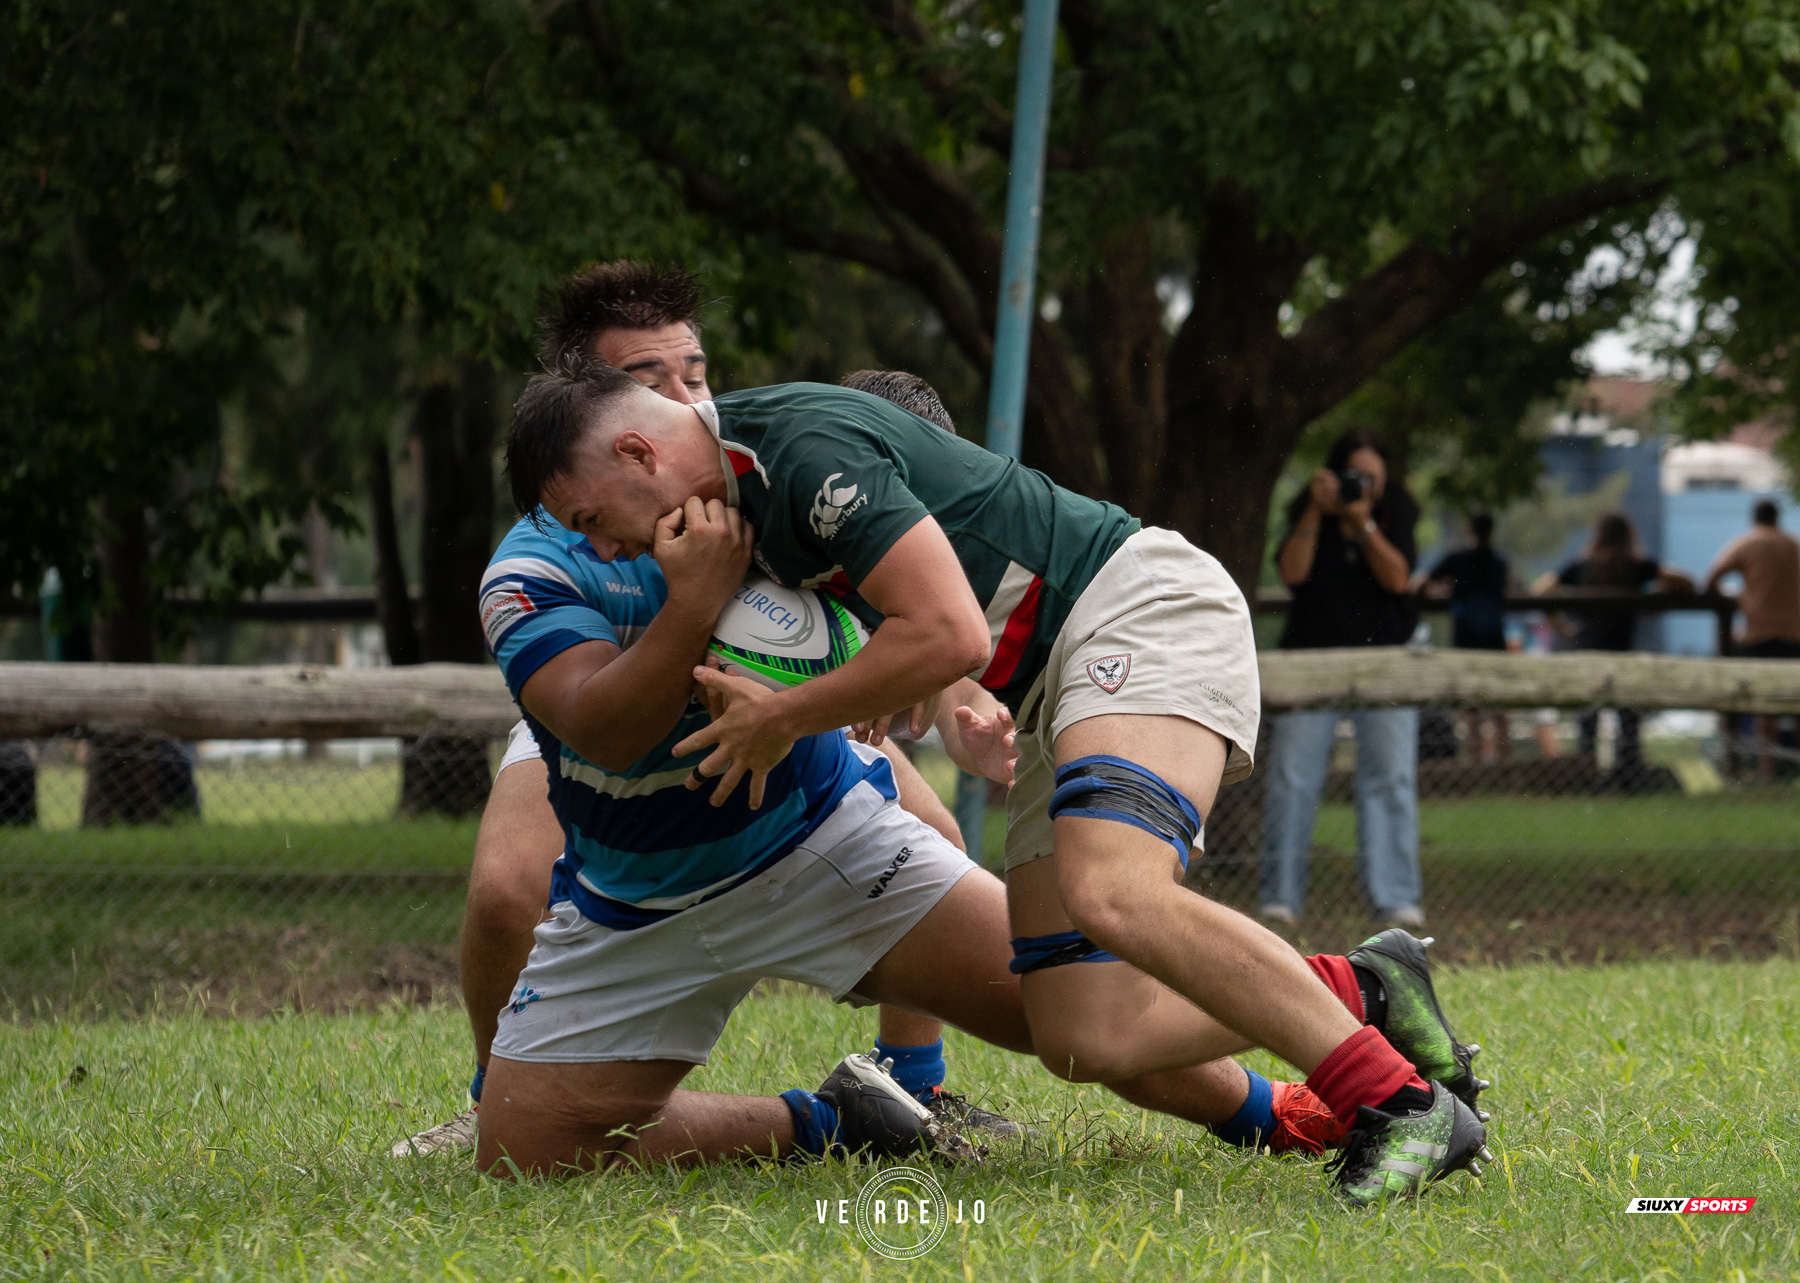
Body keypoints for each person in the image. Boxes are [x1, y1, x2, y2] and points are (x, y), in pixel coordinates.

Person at [515, 366, 1491, 1204]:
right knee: (1083, 1030)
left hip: (1136, 607)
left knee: (1117, 892)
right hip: (1051, 682)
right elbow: (921, 612)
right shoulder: (731, 509)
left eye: (594, 519)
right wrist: (911, 692)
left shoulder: (795, 450)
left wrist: (785, 715)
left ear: (640, 452)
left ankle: (1398, 1106)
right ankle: (1365, 985)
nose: (603, 548)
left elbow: (952, 630)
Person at [396, 264, 990, 1156]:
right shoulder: (548, 551)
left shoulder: (740, 468)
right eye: (647, 382)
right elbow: (593, 714)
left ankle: (911, 1091)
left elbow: (890, 583)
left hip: (770, 707)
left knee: (936, 830)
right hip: (596, 721)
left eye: (695, 373)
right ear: (590, 406)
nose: (682, 397)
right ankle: (497, 1099)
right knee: (503, 890)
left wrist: (926, 686)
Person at [1261, 431, 1426, 929]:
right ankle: (1279, 898)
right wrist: (1317, 511)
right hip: (1311, 659)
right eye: (1354, 477)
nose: (1363, 486)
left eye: (1372, 478)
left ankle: (1396, 898)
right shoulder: (1310, 514)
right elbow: (1292, 573)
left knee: (1391, 779)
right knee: (1292, 779)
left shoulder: (1397, 512)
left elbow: (1397, 579)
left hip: (1387, 663)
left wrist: (1364, 522)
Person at [1539, 511, 1694, 777]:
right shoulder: (1635, 567)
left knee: (1588, 719)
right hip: (1622, 654)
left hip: (1587, 652)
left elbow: (1542, 590)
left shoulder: (1581, 568)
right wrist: (1658, 593)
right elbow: (1687, 582)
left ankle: (1587, 773)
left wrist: (1561, 627)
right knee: (1628, 717)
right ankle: (1630, 772)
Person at [1704, 498, 1800, 781]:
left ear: (1754, 518)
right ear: (1777, 518)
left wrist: (1741, 598)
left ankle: (1766, 769)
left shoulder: (1748, 543)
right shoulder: (1792, 545)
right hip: (1794, 633)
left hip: (1759, 633)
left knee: (1763, 704)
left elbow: (1712, 577)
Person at [1423, 514, 1515, 765]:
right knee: (1499, 706)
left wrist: (1445, 590)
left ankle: (1474, 764)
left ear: (1469, 531)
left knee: (1470, 707)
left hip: (1465, 640)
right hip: (1494, 639)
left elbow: (1423, 582)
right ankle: (1503, 765)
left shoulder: (1457, 560)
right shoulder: (1499, 562)